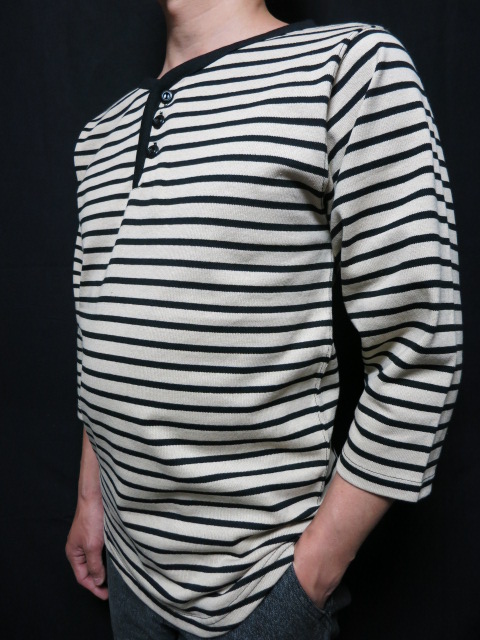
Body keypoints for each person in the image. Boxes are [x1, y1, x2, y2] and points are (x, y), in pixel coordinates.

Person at [65, 1, 463, 638]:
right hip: (130, 572)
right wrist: (92, 498)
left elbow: (421, 347)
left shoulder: (346, 67)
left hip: (258, 594)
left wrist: (307, 584)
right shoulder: (100, 133)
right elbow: (101, 329)